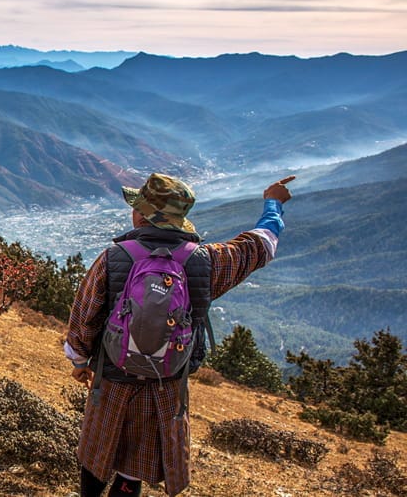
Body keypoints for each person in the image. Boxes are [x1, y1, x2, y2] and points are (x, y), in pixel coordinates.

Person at [64, 173, 295, 497]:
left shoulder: (114, 257)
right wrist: (273, 203)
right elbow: (261, 245)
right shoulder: (206, 261)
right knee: (134, 467)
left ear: (141, 214)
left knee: (96, 456)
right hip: (166, 382)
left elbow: (84, 316)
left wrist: (78, 359)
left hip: (114, 377)